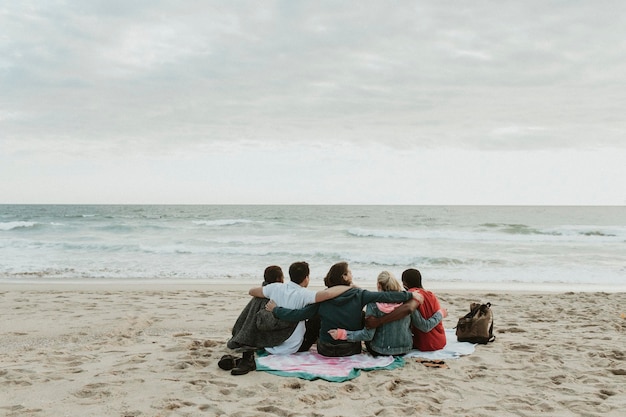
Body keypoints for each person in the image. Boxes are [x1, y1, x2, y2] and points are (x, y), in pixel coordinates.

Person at [267, 262, 423, 357]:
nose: (352, 274)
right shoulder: (360, 294)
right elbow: (387, 297)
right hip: (350, 348)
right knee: (362, 315)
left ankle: (306, 344)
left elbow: (298, 315)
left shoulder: (324, 297)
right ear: (344, 277)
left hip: (326, 349)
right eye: (349, 272)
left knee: (315, 316)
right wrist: (410, 295)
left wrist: (276, 309)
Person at [228, 261, 351, 375]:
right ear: (306, 278)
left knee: (259, 299)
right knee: (316, 315)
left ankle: (245, 345)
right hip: (293, 347)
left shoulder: (275, 287)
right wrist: (349, 288)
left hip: (271, 344)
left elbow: (252, 291)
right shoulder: (304, 294)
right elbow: (328, 294)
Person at [327, 271, 444, 356]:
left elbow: (367, 336)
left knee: (362, 317)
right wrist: (440, 313)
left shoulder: (373, 305)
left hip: (380, 350)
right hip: (404, 349)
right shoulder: (407, 302)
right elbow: (424, 326)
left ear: (378, 285)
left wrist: (342, 334)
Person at [365, 268, 447, 352]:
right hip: (441, 341)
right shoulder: (431, 295)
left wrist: (379, 321)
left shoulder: (410, 298)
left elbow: (424, 326)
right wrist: (441, 313)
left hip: (422, 344)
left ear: (404, 284)